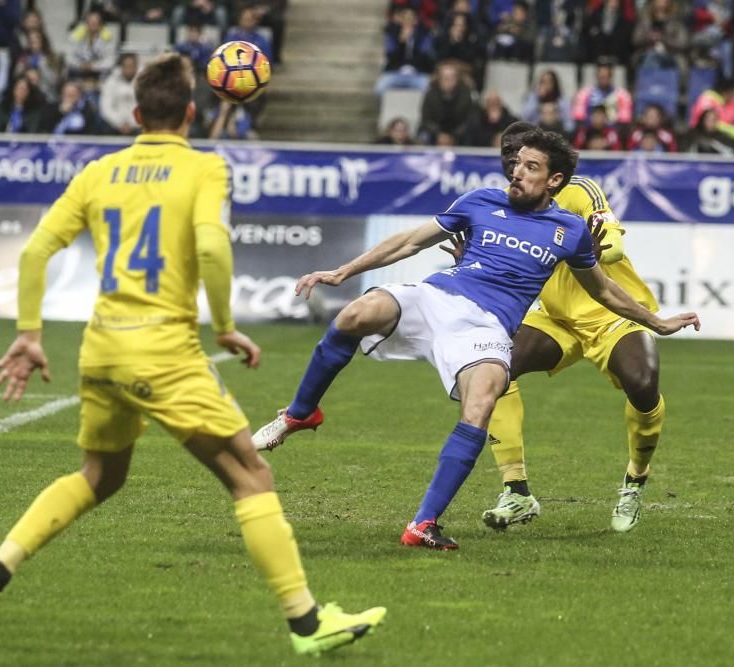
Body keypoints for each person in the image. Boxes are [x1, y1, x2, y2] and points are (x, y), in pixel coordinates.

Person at [0, 53, 385, 655]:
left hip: (101, 349)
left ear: (134, 114)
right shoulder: (205, 169)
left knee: (99, 477)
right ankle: (308, 624)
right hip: (164, 352)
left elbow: (33, 254)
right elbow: (211, 248)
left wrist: (29, 333)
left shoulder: (99, 171)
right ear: (189, 110)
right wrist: (228, 327)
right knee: (251, 475)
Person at [251, 128, 700, 549]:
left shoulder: (569, 229)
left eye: (529, 167)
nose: (516, 172)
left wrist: (657, 322)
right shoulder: (481, 201)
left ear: (554, 179)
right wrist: (344, 271)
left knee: (484, 399)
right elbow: (411, 241)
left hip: (487, 328)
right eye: (515, 163)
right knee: (356, 314)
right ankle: (300, 414)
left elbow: (603, 289)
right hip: (437, 296)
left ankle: (422, 524)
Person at [463, 121, 679, 533]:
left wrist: (600, 248)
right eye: (507, 152)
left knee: (643, 382)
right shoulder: (506, 206)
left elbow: (612, 240)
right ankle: (517, 492)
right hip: (554, 316)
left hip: (610, 312)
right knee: (494, 366)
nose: (513, 160)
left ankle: (635, 478)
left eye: (521, 151)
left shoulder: (579, 190)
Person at [571, 61, 633, 126]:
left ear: (611, 77)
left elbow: (625, 120)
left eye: (606, 77)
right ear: (597, 76)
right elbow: (578, 117)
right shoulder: (584, 93)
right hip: (589, 130)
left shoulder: (623, 95)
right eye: (601, 77)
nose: (603, 79)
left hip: (613, 131)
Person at [100, 52, 140, 135]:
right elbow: (106, 108)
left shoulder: (144, 82)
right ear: (121, 67)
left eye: (132, 66)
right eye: (126, 66)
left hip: (137, 127)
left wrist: (132, 124)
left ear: (136, 66)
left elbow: (146, 108)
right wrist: (119, 123)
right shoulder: (110, 82)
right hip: (114, 126)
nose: (129, 69)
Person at [522, 69, 572, 135]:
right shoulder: (534, 98)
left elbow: (569, 124)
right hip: (537, 132)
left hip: (557, 132)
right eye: (543, 82)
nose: (546, 85)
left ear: (555, 83)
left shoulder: (561, 100)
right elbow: (525, 116)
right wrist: (537, 97)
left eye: (549, 82)